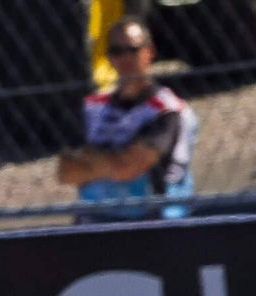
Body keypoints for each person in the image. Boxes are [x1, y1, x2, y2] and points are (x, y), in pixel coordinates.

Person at [54, 14, 198, 221]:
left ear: (149, 52)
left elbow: (129, 168)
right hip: (96, 220)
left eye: (133, 50)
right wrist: (115, 162)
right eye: (117, 51)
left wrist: (91, 163)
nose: (126, 58)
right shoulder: (93, 107)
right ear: (109, 58)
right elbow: (65, 172)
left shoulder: (167, 110)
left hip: (154, 223)